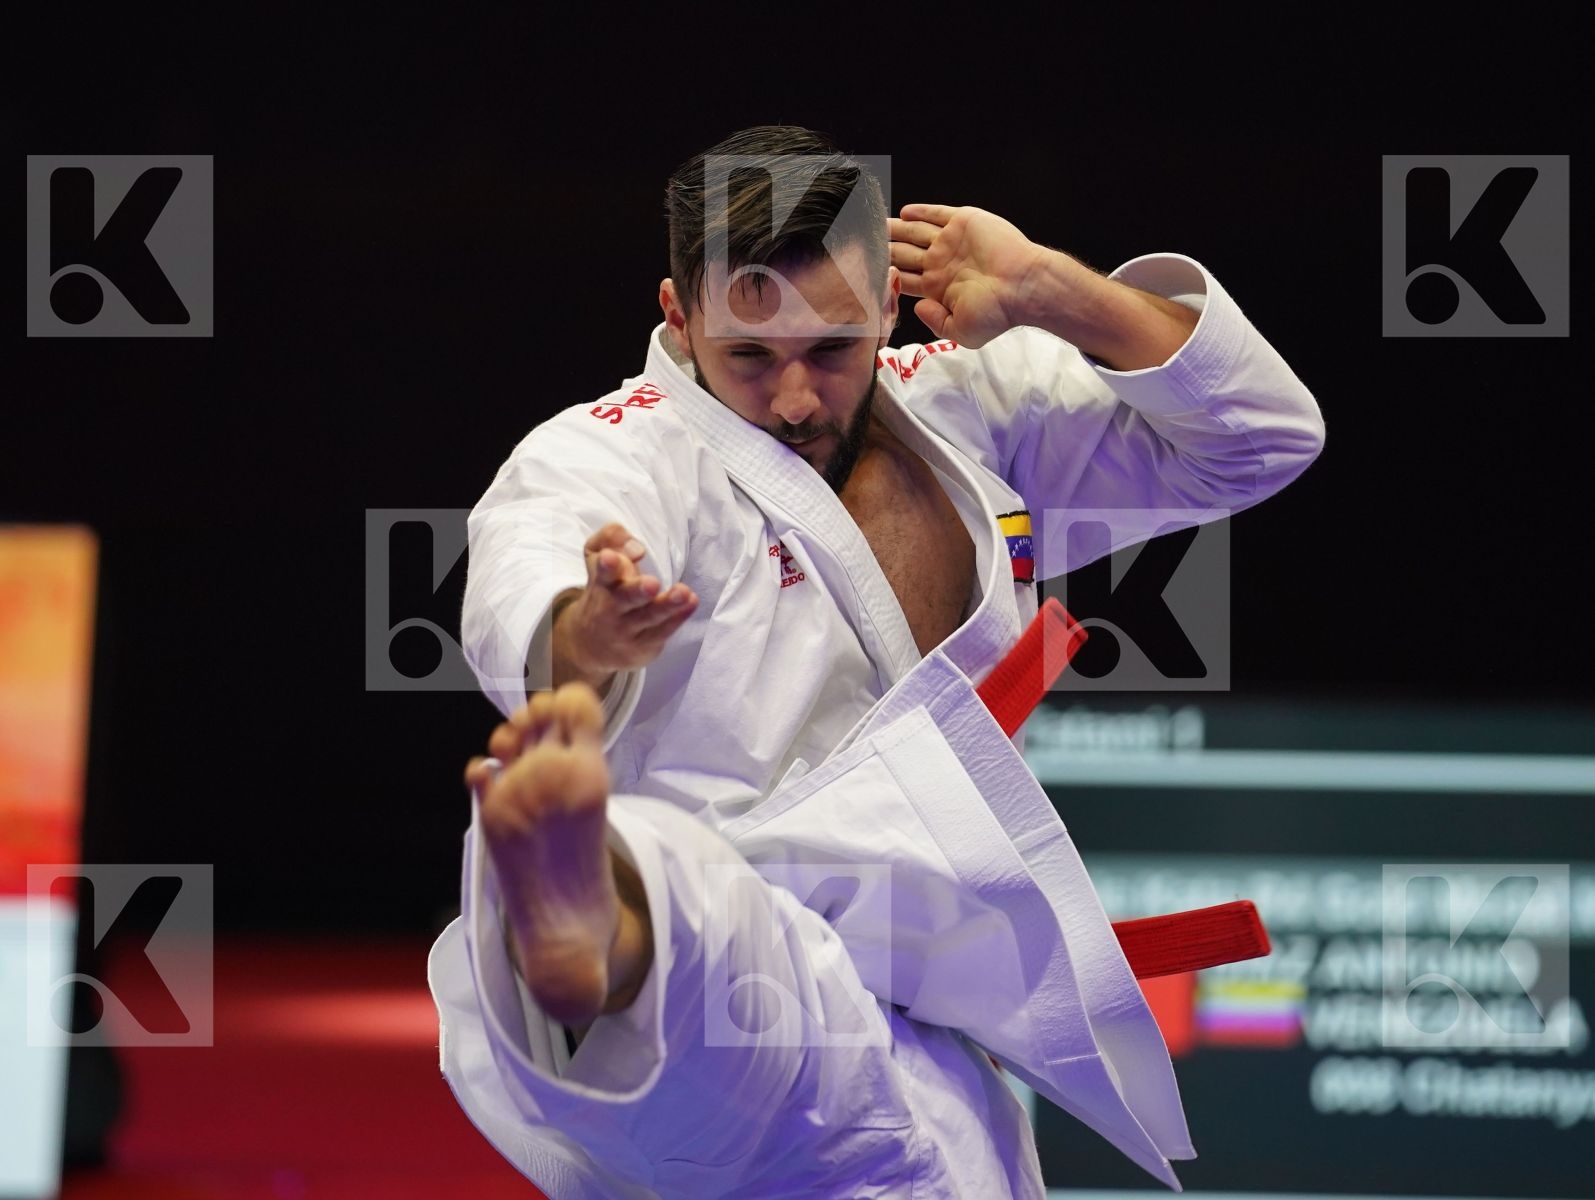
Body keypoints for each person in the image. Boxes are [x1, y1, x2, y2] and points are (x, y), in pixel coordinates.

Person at [429, 124, 1325, 1198]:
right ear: (677, 316)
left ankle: (617, 937)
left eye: (831, 349)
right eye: (749, 358)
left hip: (929, 998)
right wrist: (584, 633)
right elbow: (531, 567)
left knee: (912, 1162)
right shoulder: (606, 452)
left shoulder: (968, 407)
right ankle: (608, 930)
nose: (796, 398)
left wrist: (1052, 291)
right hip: (741, 957)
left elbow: (1261, 438)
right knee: (746, 988)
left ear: (889, 309)